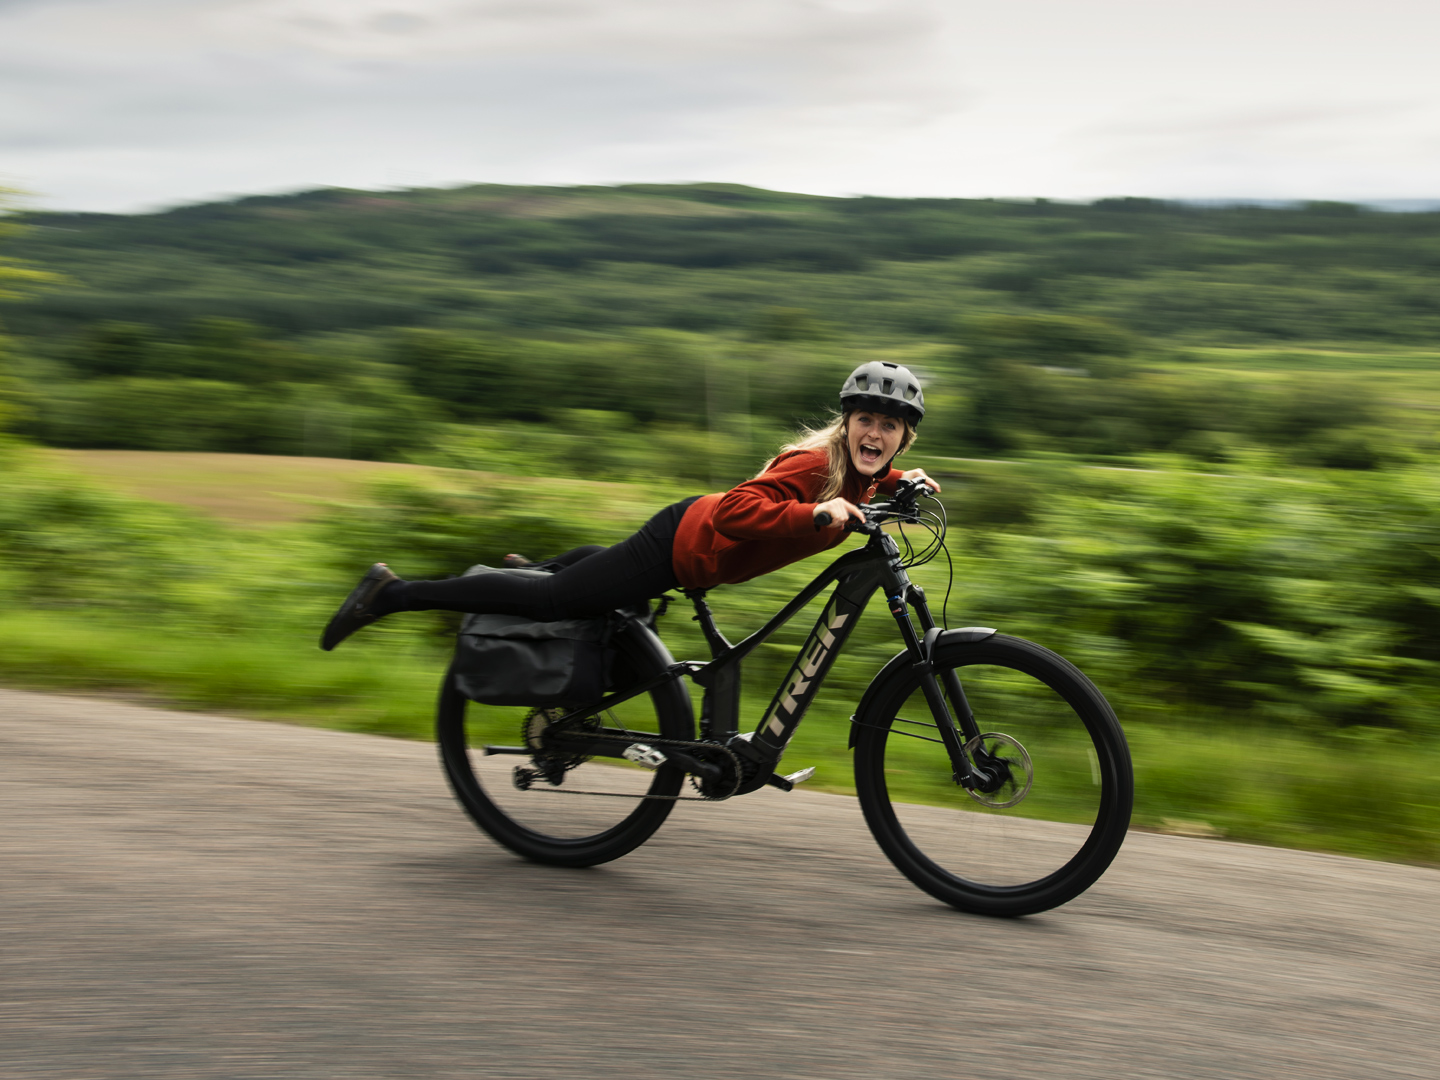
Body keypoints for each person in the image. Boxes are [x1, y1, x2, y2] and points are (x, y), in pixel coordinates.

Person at [319, 360, 939, 650]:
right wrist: (813, 515)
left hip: (691, 553)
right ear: (847, 423)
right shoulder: (814, 466)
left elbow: (864, 488)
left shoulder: (864, 475)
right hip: (680, 546)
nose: (876, 434)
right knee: (556, 603)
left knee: (600, 582)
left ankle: (535, 566)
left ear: (902, 438)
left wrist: (903, 482)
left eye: (890, 428)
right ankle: (391, 594)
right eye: (866, 420)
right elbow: (735, 512)